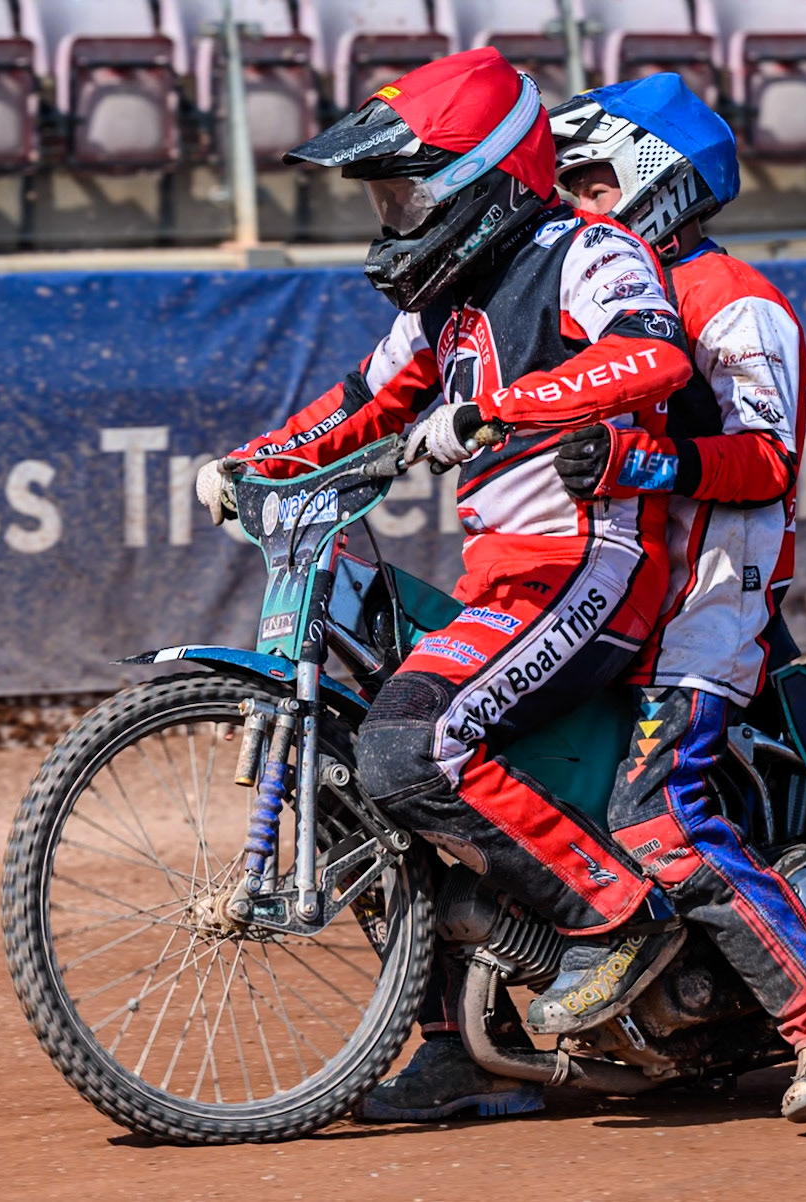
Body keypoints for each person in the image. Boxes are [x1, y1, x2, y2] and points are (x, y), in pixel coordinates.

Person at [195, 49, 696, 1120]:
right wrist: (253, 462)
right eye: (382, 195)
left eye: (404, 190)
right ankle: (456, 1038)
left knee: (411, 744)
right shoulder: (443, 306)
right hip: (505, 582)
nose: (389, 216)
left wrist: (501, 412)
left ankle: (616, 915)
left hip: (591, 559)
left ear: (485, 179)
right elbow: (356, 407)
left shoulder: (585, 250)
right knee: (356, 768)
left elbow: (650, 357)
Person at [539, 75, 806, 1123]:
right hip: (621, 594)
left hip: (712, 594)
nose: (577, 201)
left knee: (659, 809)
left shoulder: (731, 296)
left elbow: (765, 461)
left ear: (659, 179)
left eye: (595, 178)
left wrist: (639, 464)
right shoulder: (610, 298)